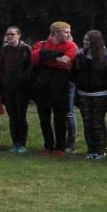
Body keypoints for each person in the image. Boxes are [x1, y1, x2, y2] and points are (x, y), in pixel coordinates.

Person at [30, 22, 78, 156]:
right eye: (66, 32)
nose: (69, 35)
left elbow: (66, 61)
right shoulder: (41, 44)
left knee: (60, 117)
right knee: (44, 117)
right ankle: (48, 145)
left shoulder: (71, 45)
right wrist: (56, 56)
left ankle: (60, 147)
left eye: (69, 32)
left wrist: (46, 56)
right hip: (43, 85)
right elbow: (34, 58)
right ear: (56, 33)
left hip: (61, 84)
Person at [73, 30, 107, 160]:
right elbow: (74, 73)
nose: (85, 42)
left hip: (100, 95)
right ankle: (91, 149)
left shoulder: (106, 58)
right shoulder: (80, 56)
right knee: (87, 122)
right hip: (83, 94)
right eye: (84, 39)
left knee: (98, 122)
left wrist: (106, 89)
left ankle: (101, 150)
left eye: (88, 40)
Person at [0, 27, 33, 153]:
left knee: (21, 116)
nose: (9, 36)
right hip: (8, 88)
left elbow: (30, 67)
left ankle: (22, 144)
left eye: (12, 34)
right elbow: (2, 67)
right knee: (12, 117)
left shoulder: (26, 49)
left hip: (22, 89)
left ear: (19, 35)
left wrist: (22, 80)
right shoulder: (5, 49)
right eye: (8, 34)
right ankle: (15, 143)